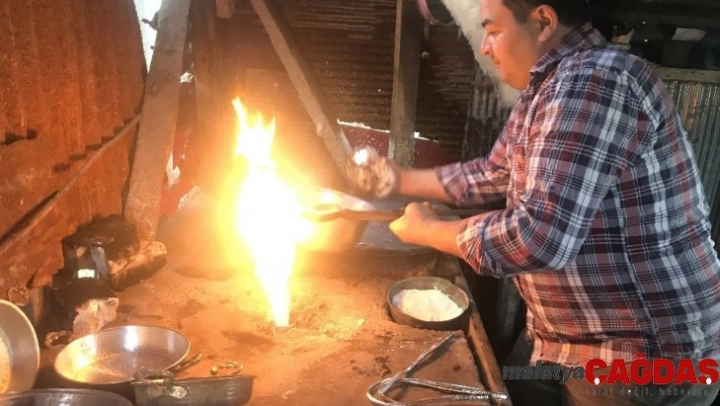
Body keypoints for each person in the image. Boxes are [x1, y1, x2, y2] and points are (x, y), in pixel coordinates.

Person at [347, 0, 720, 405]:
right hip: (563, 338)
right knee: (513, 386)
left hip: (637, 357)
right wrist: (399, 180)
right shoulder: (550, 84)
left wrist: (429, 231)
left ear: (543, 22)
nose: (485, 46)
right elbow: (495, 173)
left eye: (493, 30)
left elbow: (539, 237)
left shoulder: (595, 81)